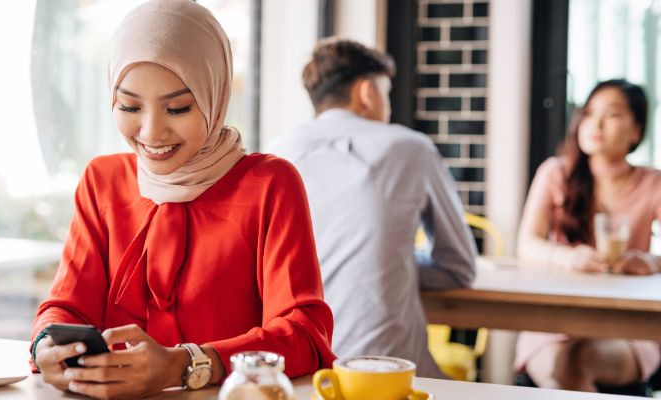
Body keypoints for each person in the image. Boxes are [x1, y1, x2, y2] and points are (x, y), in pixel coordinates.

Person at [29, 1, 336, 398]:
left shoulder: (269, 185)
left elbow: (305, 334)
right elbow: (66, 306)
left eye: (177, 108)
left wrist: (185, 364)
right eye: (129, 106)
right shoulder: (102, 181)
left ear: (214, 95)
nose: (151, 132)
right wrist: (46, 345)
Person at [267, 38, 477, 379]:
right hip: (388, 371)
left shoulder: (277, 151)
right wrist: (389, 263)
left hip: (297, 366)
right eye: (386, 94)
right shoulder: (410, 148)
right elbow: (460, 267)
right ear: (366, 92)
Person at [514, 79, 661, 393]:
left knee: (573, 364)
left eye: (612, 114)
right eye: (590, 112)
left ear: (636, 131)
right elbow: (527, 243)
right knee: (564, 369)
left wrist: (651, 262)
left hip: (627, 325)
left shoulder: (652, 183)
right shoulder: (556, 172)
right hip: (553, 322)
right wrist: (569, 257)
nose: (596, 123)